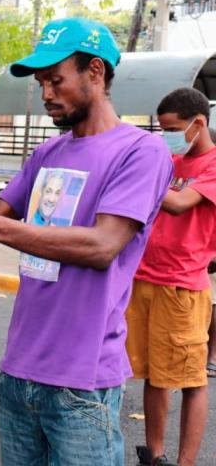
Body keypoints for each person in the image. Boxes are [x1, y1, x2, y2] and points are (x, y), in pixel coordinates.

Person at [0, 17, 173, 465]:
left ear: (95, 72)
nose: (46, 94)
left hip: (82, 382)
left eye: (55, 80)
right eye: (40, 83)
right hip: (17, 374)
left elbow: (102, 246)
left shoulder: (141, 152)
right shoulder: (48, 152)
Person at [127, 87, 216, 466]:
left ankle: (186, 462)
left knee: (192, 380)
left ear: (198, 124)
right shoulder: (172, 160)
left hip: (182, 287)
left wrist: (139, 177)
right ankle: (156, 454)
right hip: (145, 278)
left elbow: (178, 204)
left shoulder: (213, 164)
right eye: (161, 129)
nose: (166, 136)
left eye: (172, 128)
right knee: (154, 375)